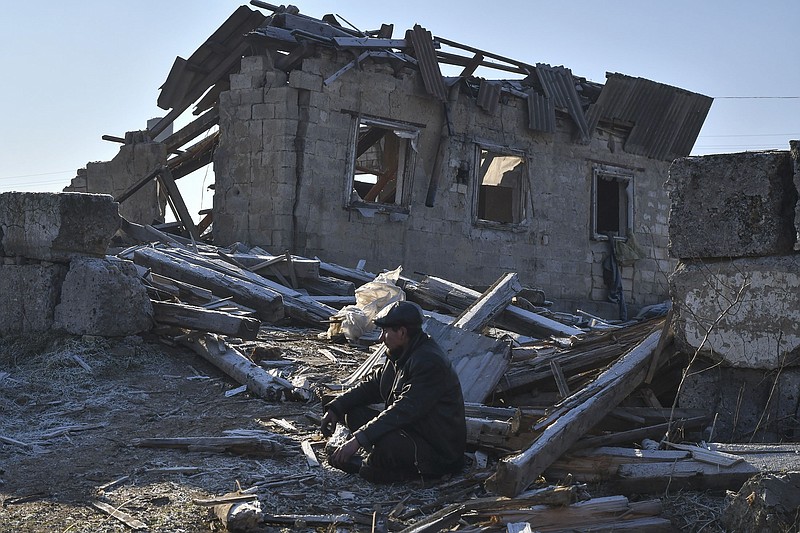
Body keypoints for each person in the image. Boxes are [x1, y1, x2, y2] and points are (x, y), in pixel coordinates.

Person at [321, 301, 467, 483]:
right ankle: (375, 461)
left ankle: (370, 467)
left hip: (437, 449)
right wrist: (336, 407)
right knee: (354, 413)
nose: (380, 338)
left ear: (402, 332)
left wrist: (357, 441)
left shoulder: (429, 362)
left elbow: (403, 410)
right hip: (411, 431)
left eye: (385, 332)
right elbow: (372, 385)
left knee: (386, 446)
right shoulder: (400, 354)